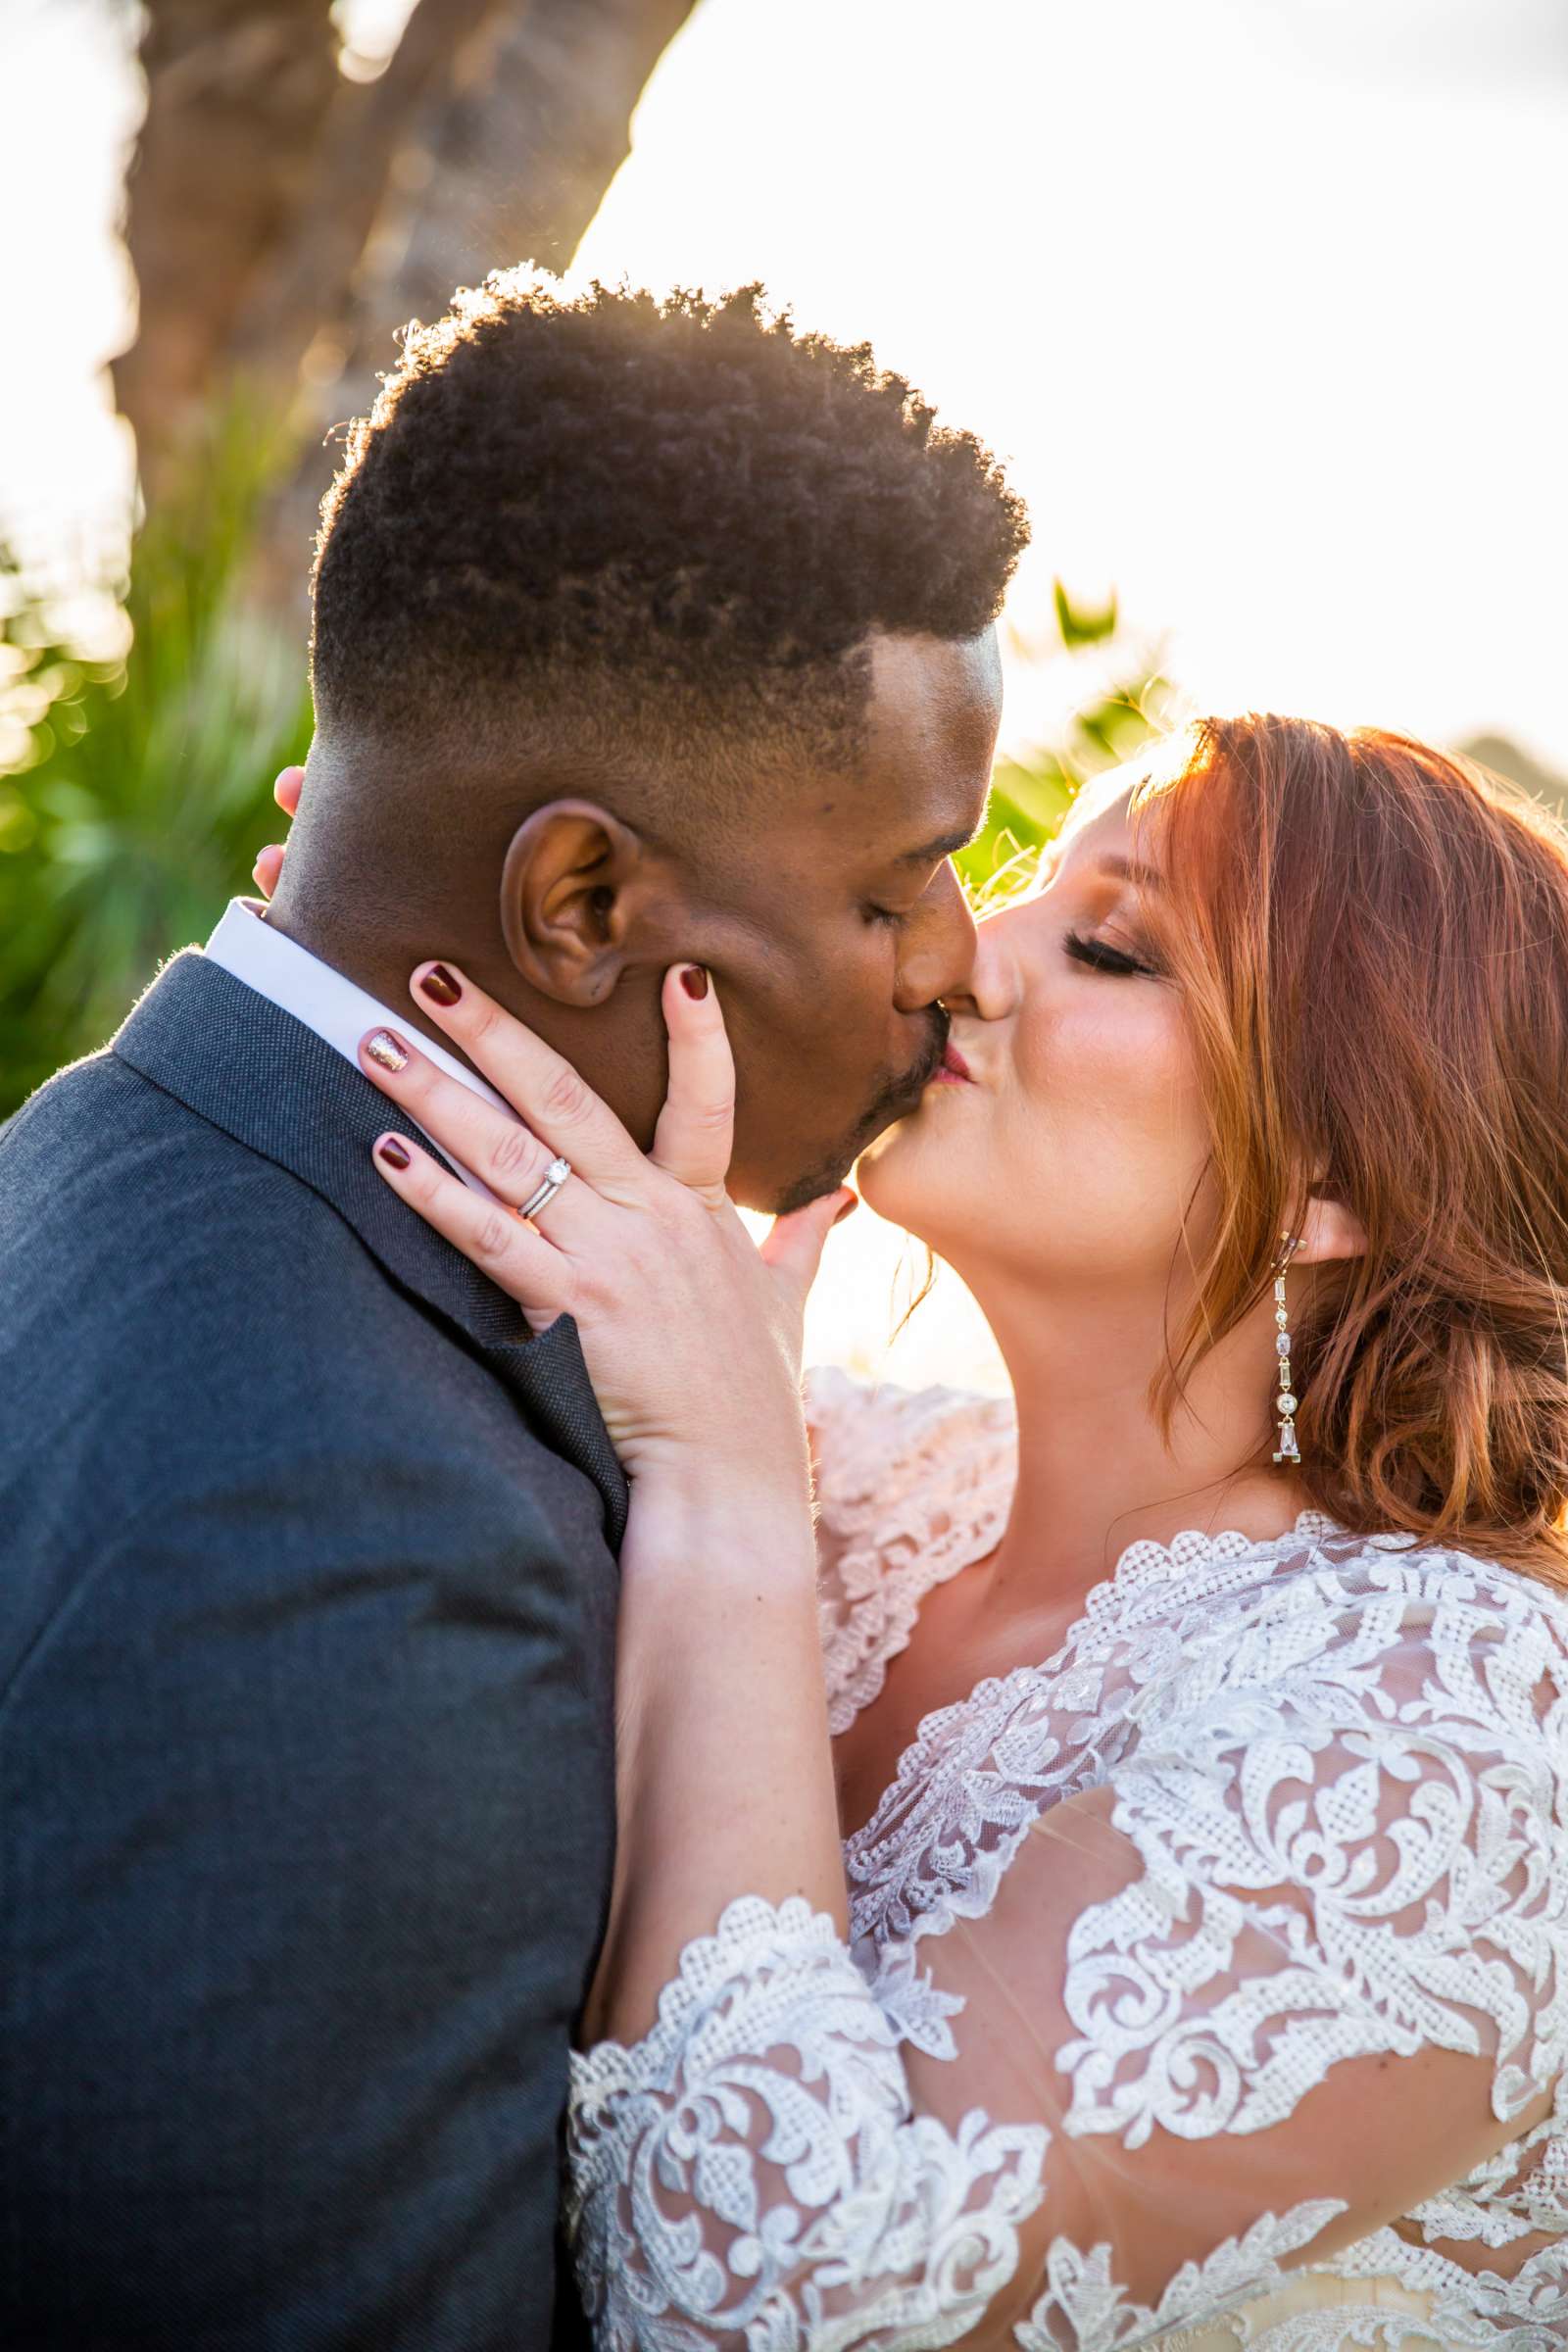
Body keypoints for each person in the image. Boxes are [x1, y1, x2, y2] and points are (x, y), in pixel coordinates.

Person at [0, 274, 1026, 2348]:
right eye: (894, 882)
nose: (958, 962)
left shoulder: (109, 1158)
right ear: (581, 905)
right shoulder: (347, 1515)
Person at [342, 712, 1568, 2348]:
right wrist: (420, 905)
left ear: (1326, 1184)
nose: (970, 961)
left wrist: (724, 1489)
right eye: (1019, 888)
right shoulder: (857, 1475)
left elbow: (787, 2302)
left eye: (1115, 951)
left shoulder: (1477, 1726)